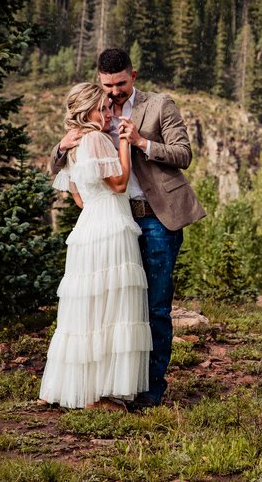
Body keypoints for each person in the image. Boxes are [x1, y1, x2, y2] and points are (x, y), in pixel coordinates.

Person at [51, 48, 205, 409]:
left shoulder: (159, 106)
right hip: (112, 223)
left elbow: (183, 154)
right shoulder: (94, 113)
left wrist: (140, 142)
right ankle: (116, 383)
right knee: (117, 308)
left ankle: (150, 391)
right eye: (108, 85)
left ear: (133, 76)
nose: (115, 92)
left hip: (154, 217)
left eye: (120, 84)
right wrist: (61, 145)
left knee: (153, 308)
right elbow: (64, 164)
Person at [39, 82, 151, 410]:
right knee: (111, 309)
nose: (107, 115)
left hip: (87, 229)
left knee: (84, 312)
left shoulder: (74, 146)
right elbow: (118, 185)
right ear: (85, 110)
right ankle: (99, 394)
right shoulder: (98, 139)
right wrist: (126, 147)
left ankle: (66, 387)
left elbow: (76, 196)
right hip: (111, 228)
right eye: (101, 109)